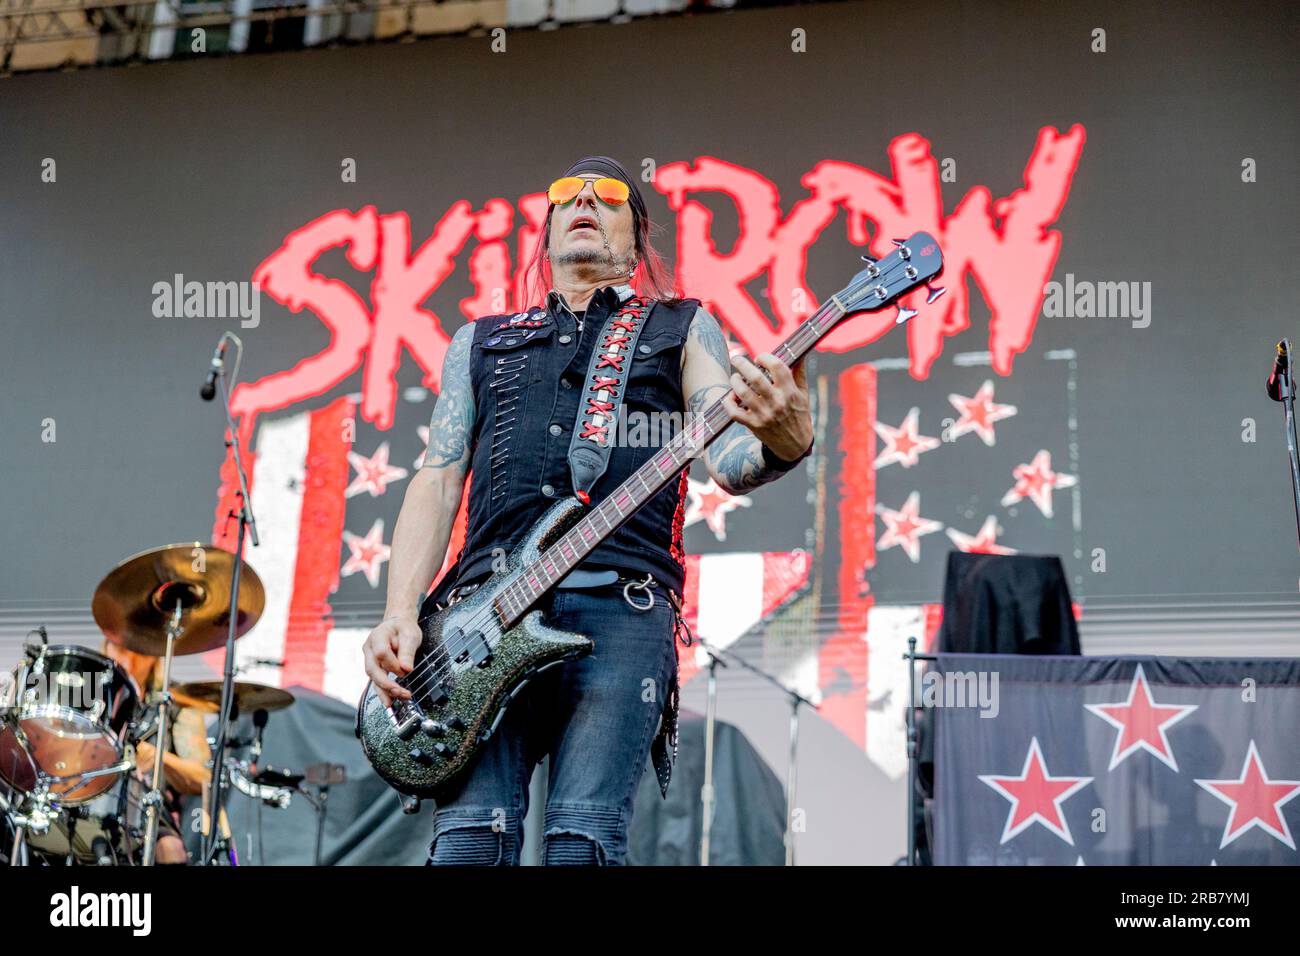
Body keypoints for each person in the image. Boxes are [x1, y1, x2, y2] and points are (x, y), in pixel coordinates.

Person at [361, 155, 813, 865]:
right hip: (480, 622)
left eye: (608, 197)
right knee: (468, 847)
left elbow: (726, 462)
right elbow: (438, 479)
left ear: (637, 240)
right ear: (544, 233)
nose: (584, 202)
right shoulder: (480, 343)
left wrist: (786, 445)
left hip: (621, 613)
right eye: (566, 195)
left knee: (583, 841)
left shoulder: (681, 328)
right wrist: (398, 611)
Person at [101, 641, 211, 864]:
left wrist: (160, 757)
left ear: (152, 655)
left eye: (135, 649)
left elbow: (203, 778)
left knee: (170, 849)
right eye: (119, 648)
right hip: (90, 796)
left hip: (149, 811)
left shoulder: (178, 701)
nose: (126, 659)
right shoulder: (92, 693)